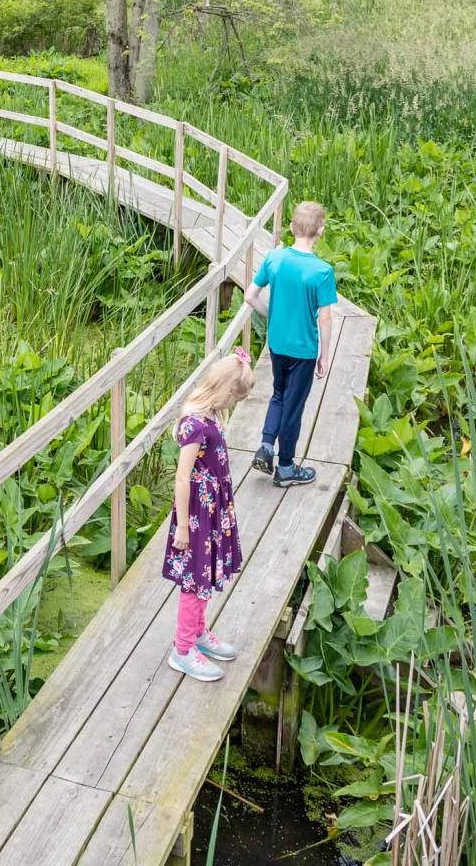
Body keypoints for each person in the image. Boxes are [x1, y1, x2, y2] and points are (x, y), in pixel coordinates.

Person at [164, 350, 254, 682]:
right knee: (194, 579)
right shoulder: (194, 424)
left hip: (213, 508)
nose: (234, 402)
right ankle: (183, 648)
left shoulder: (213, 415)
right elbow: (181, 476)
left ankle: (198, 631)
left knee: (206, 575)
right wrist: (184, 526)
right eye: (234, 395)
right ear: (222, 388)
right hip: (197, 515)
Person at [245, 201, 339, 488]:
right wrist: (324, 356)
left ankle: (266, 444)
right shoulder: (322, 271)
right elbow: (324, 319)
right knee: (294, 406)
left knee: (278, 394)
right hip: (303, 349)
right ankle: (285, 468)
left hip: (277, 343)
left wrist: (271, 316)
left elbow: (250, 296)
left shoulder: (274, 258)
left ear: (291, 227)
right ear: (320, 230)